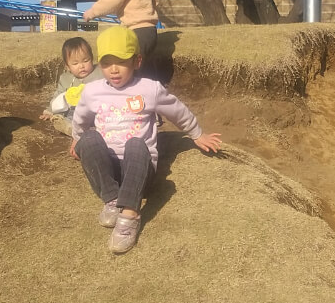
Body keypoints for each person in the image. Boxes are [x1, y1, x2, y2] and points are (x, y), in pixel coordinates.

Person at [70, 26, 222, 253]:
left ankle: (130, 215)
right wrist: (77, 139)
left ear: (137, 61)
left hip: (139, 167)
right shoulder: (92, 91)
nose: (113, 69)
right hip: (108, 168)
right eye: (106, 62)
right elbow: (80, 118)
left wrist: (197, 134)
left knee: (136, 144)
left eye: (121, 62)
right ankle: (111, 200)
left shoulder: (149, 89)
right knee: (89, 138)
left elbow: (177, 111)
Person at [39, 37, 104, 136]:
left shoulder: (100, 72)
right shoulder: (66, 79)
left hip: (98, 109)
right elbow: (58, 96)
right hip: (76, 111)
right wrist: (49, 110)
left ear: (92, 59)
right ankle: (69, 127)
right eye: (75, 63)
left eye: (86, 60)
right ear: (67, 66)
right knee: (69, 113)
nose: (81, 66)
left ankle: (90, 128)